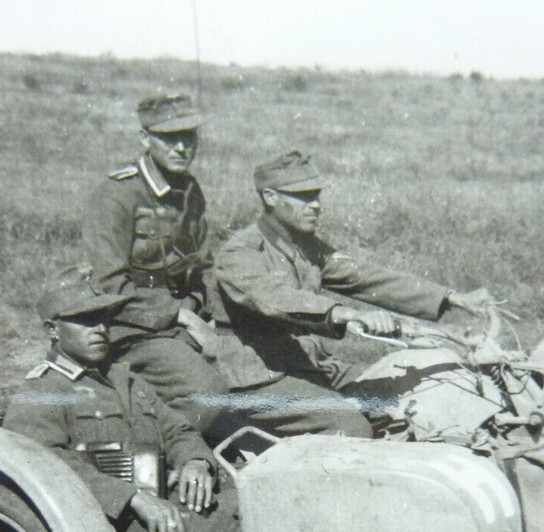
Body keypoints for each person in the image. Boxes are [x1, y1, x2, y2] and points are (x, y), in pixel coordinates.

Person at [209, 149, 493, 438]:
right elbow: (275, 299)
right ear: (270, 197)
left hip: (301, 363)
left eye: (317, 195)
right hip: (255, 377)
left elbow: (367, 277)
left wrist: (451, 297)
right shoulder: (240, 252)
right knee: (351, 427)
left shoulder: (305, 247)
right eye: (304, 197)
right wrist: (347, 314)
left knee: (393, 404)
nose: (316, 205)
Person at [0, 276, 243, 532]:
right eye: (85, 321)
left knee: (261, 512)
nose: (100, 329)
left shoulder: (122, 378)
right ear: (53, 331)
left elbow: (177, 429)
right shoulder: (42, 392)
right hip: (116, 528)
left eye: (102, 319)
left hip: (166, 507)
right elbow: (44, 469)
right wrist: (132, 498)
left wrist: (195, 461)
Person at [83, 92, 238, 441]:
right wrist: (181, 316)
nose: (182, 147)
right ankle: (152, 452)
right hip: (130, 326)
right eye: (169, 138)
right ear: (145, 139)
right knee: (208, 396)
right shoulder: (116, 195)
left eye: (189, 137)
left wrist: (214, 314)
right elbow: (110, 286)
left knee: (252, 371)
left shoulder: (189, 189)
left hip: (182, 316)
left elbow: (203, 266)